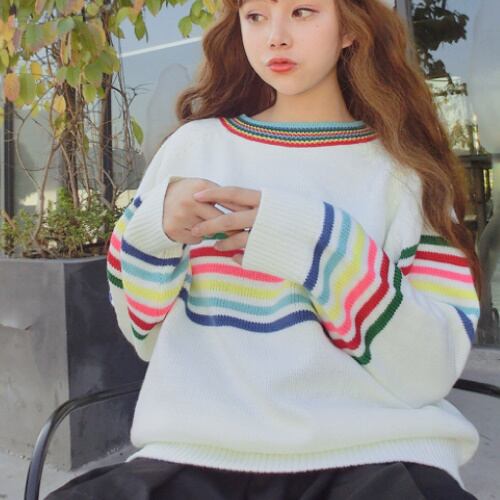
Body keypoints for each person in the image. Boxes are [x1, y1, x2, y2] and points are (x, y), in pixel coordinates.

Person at [46, 0, 482, 498]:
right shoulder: (194, 148)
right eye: (255, 16)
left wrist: (321, 246)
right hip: (197, 454)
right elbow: (140, 331)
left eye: (302, 12)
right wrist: (154, 231)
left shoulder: (402, 173)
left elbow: (430, 372)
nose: (275, 36)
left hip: (372, 454)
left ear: (350, 29)